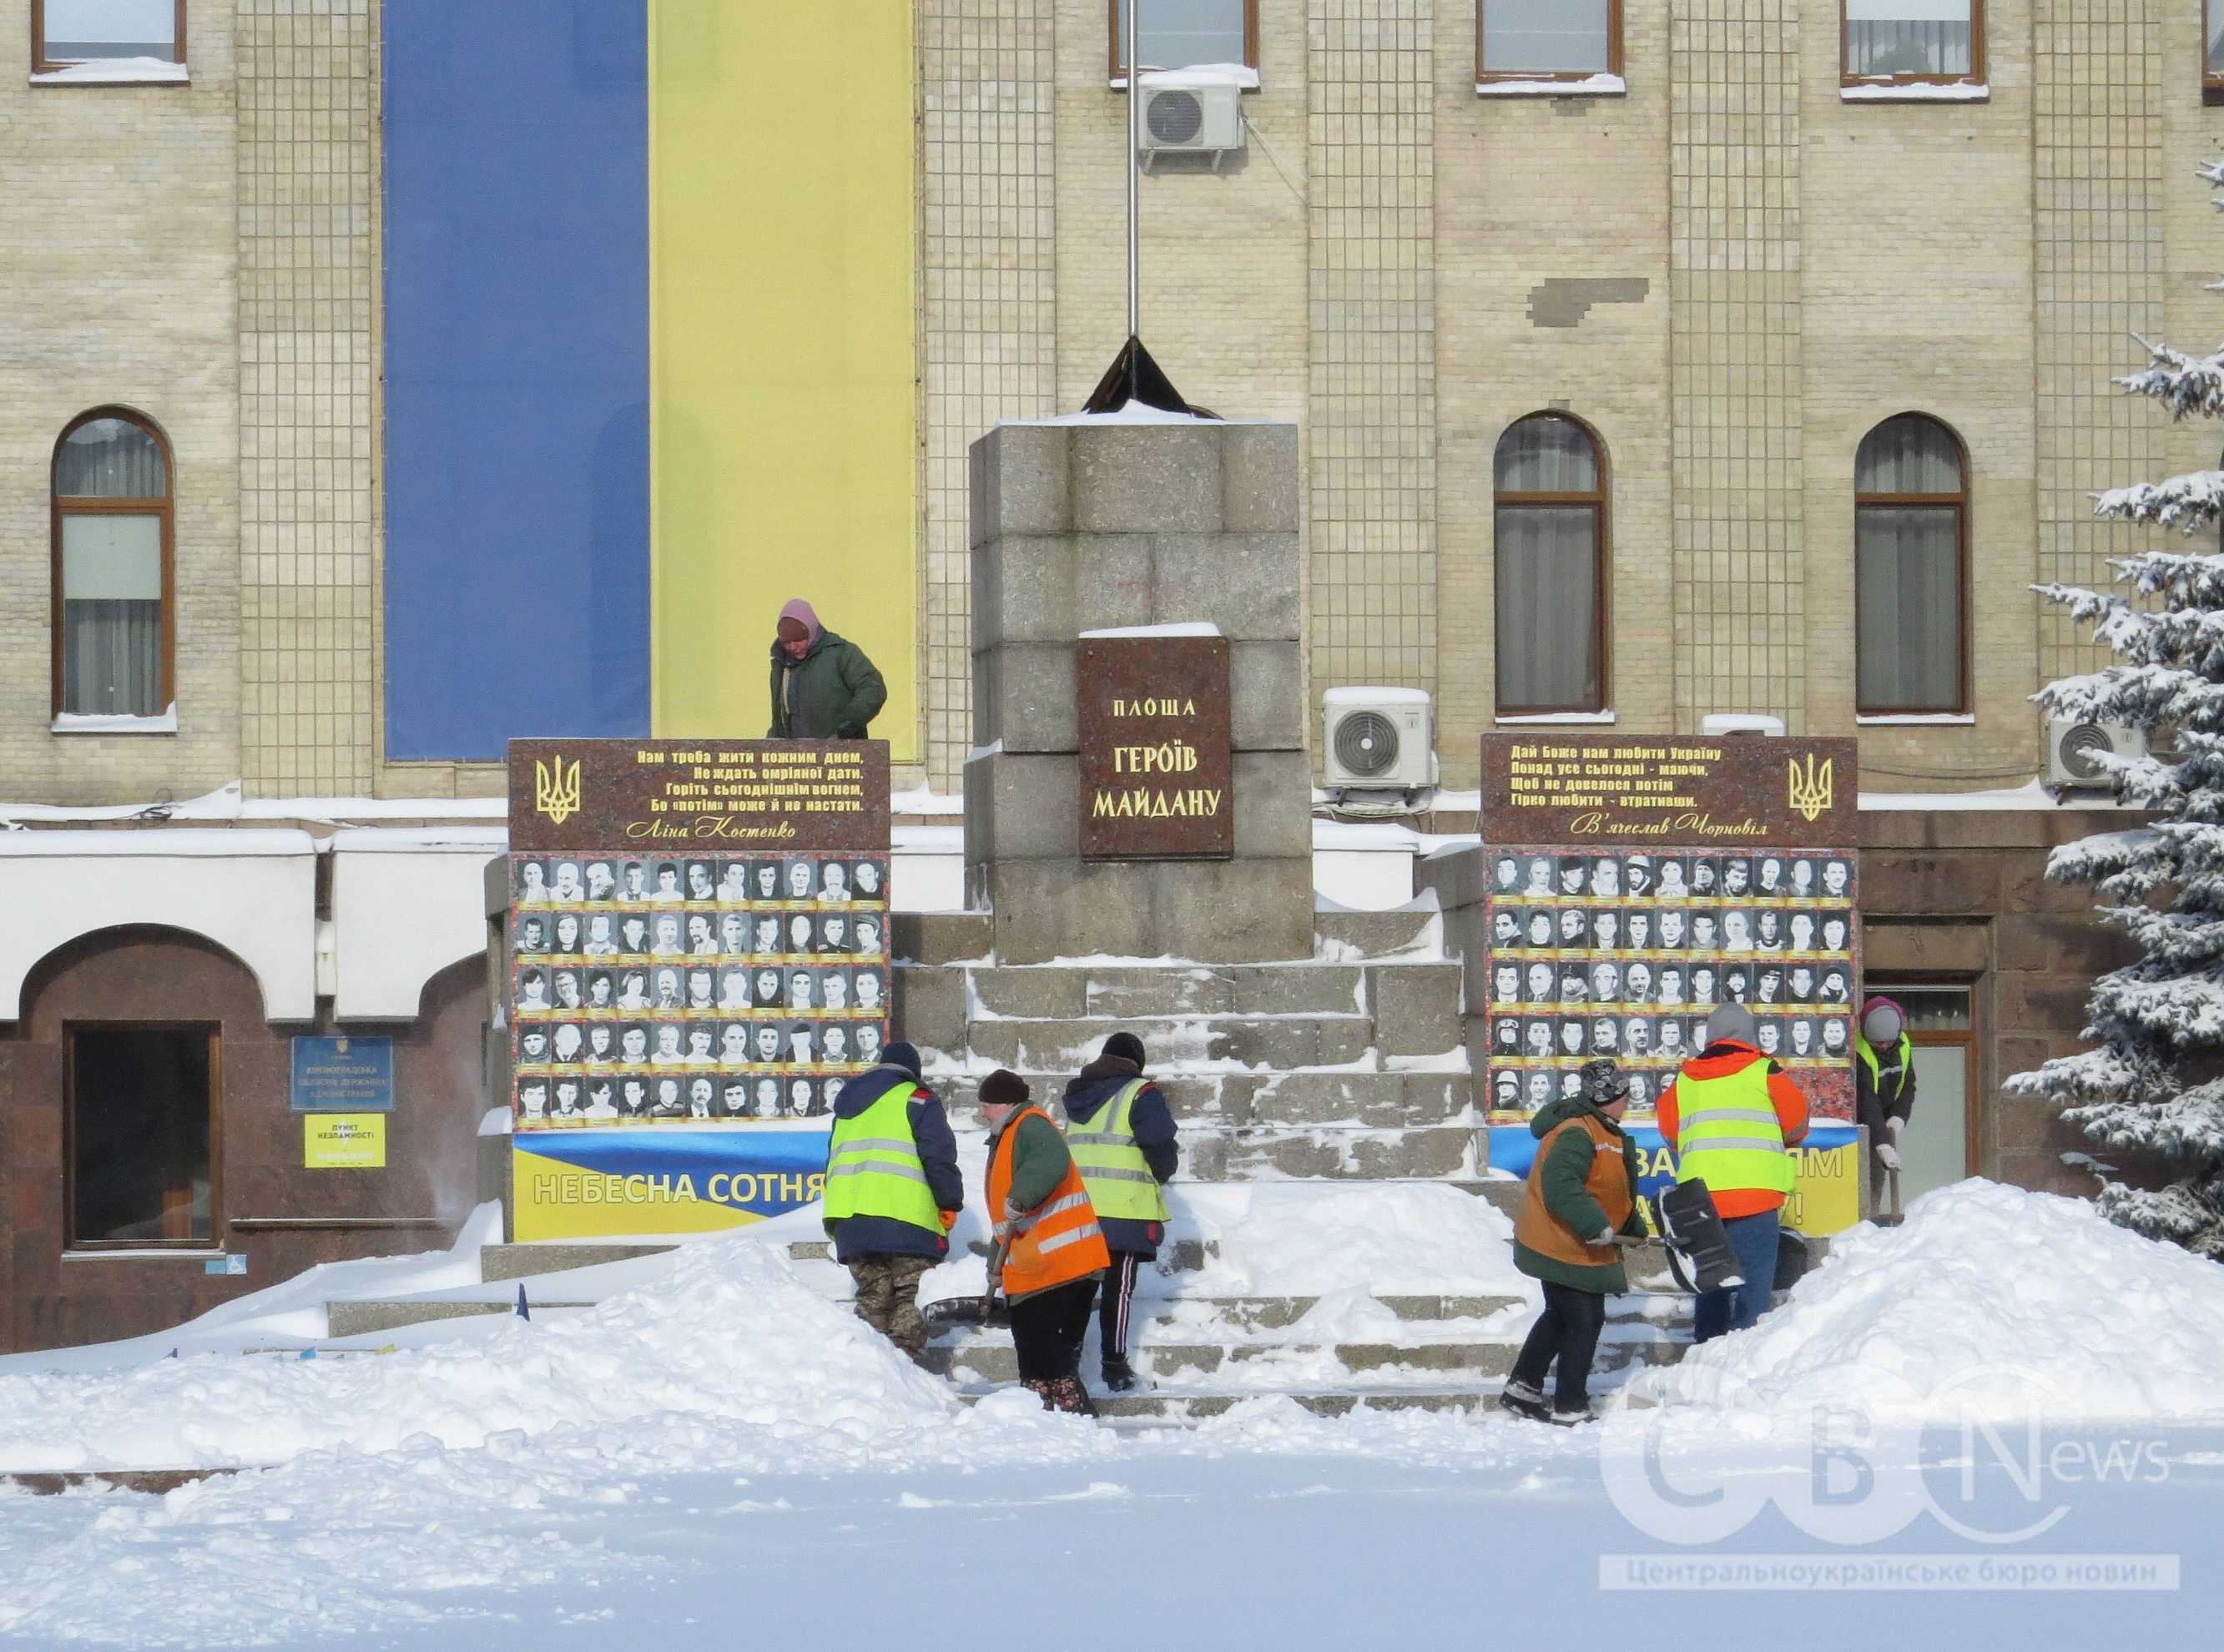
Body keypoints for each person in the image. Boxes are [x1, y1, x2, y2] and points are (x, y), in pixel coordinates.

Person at [1500, 1059, 1647, 1426]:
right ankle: (1570, 1405)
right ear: (1611, 1096)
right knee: (1583, 1320)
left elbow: (1610, 1189)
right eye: (1625, 1095)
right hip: (1561, 1244)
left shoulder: (1602, 1131)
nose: (1628, 1101)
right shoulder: (1577, 1132)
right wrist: (1595, 1225)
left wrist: (1634, 1226)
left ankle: (1522, 1390)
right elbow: (1561, 1187)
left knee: (1560, 1316)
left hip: (1572, 1243)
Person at [1657, 1002, 1812, 1343]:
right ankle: (1743, 1361)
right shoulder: (1765, 1071)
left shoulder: (1685, 1079)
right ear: (1749, 1034)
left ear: (1710, 1036)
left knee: (1710, 1282)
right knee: (1754, 1287)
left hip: (1701, 1199)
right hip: (1755, 1195)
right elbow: (1798, 1125)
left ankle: (1706, 1356)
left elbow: (1669, 1132)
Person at [821, 1040, 964, 1362]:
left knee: (873, 1298)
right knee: (909, 1301)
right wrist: (950, 1201)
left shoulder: (846, 1110)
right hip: (906, 1220)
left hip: (851, 1223)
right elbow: (938, 1157)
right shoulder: (917, 1099)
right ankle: (905, 1376)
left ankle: (867, 1371)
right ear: (913, 1071)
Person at [979, 1068, 1110, 1415]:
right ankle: (1044, 1412)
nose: (982, 1112)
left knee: (1045, 1348)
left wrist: (1021, 1196)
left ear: (1004, 1103)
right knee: (1034, 1347)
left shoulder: (1030, 1124)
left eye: (987, 1104)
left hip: (1061, 1264)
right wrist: (997, 1266)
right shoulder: (1009, 1133)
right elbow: (1004, 1220)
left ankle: (1070, 1413)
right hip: (1036, 1266)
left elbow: (1050, 1162)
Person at [1058, 1032, 1178, 1393]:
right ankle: (1114, 1364)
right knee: (1119, 1288)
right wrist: (1164, 1170)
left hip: (1079, 1209)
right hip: (1123, 1208)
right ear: (1136, 1063)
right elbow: (1159, 1142)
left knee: (1079, 1288)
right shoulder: (1140, 1093)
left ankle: (1067, 1362)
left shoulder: (1078, 1096)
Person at [768, 597, 887, 740]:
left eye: (799, 640)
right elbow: (779, 718)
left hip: (842, 754)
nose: (793, 647)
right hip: (797, 757)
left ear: (811, 631)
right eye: (787, 643)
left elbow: (873, 689)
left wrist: (848, 726)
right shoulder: (781, 664)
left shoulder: (841, 654)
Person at [1854, 995, 1919, 1205]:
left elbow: (1908, 1085)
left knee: (1878, 1178)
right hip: (1859, 1121)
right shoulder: (1858, 1049)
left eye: (1888, 1042)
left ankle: (1874, 1214)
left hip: (1885, 1113)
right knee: (1863, 1179)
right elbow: (1865, 1098)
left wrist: (1899, 1116)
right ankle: (1867, 1221)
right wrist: (1882, 1143)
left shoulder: (1903, 1044)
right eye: (1877, 1043)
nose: (1883, 1046)